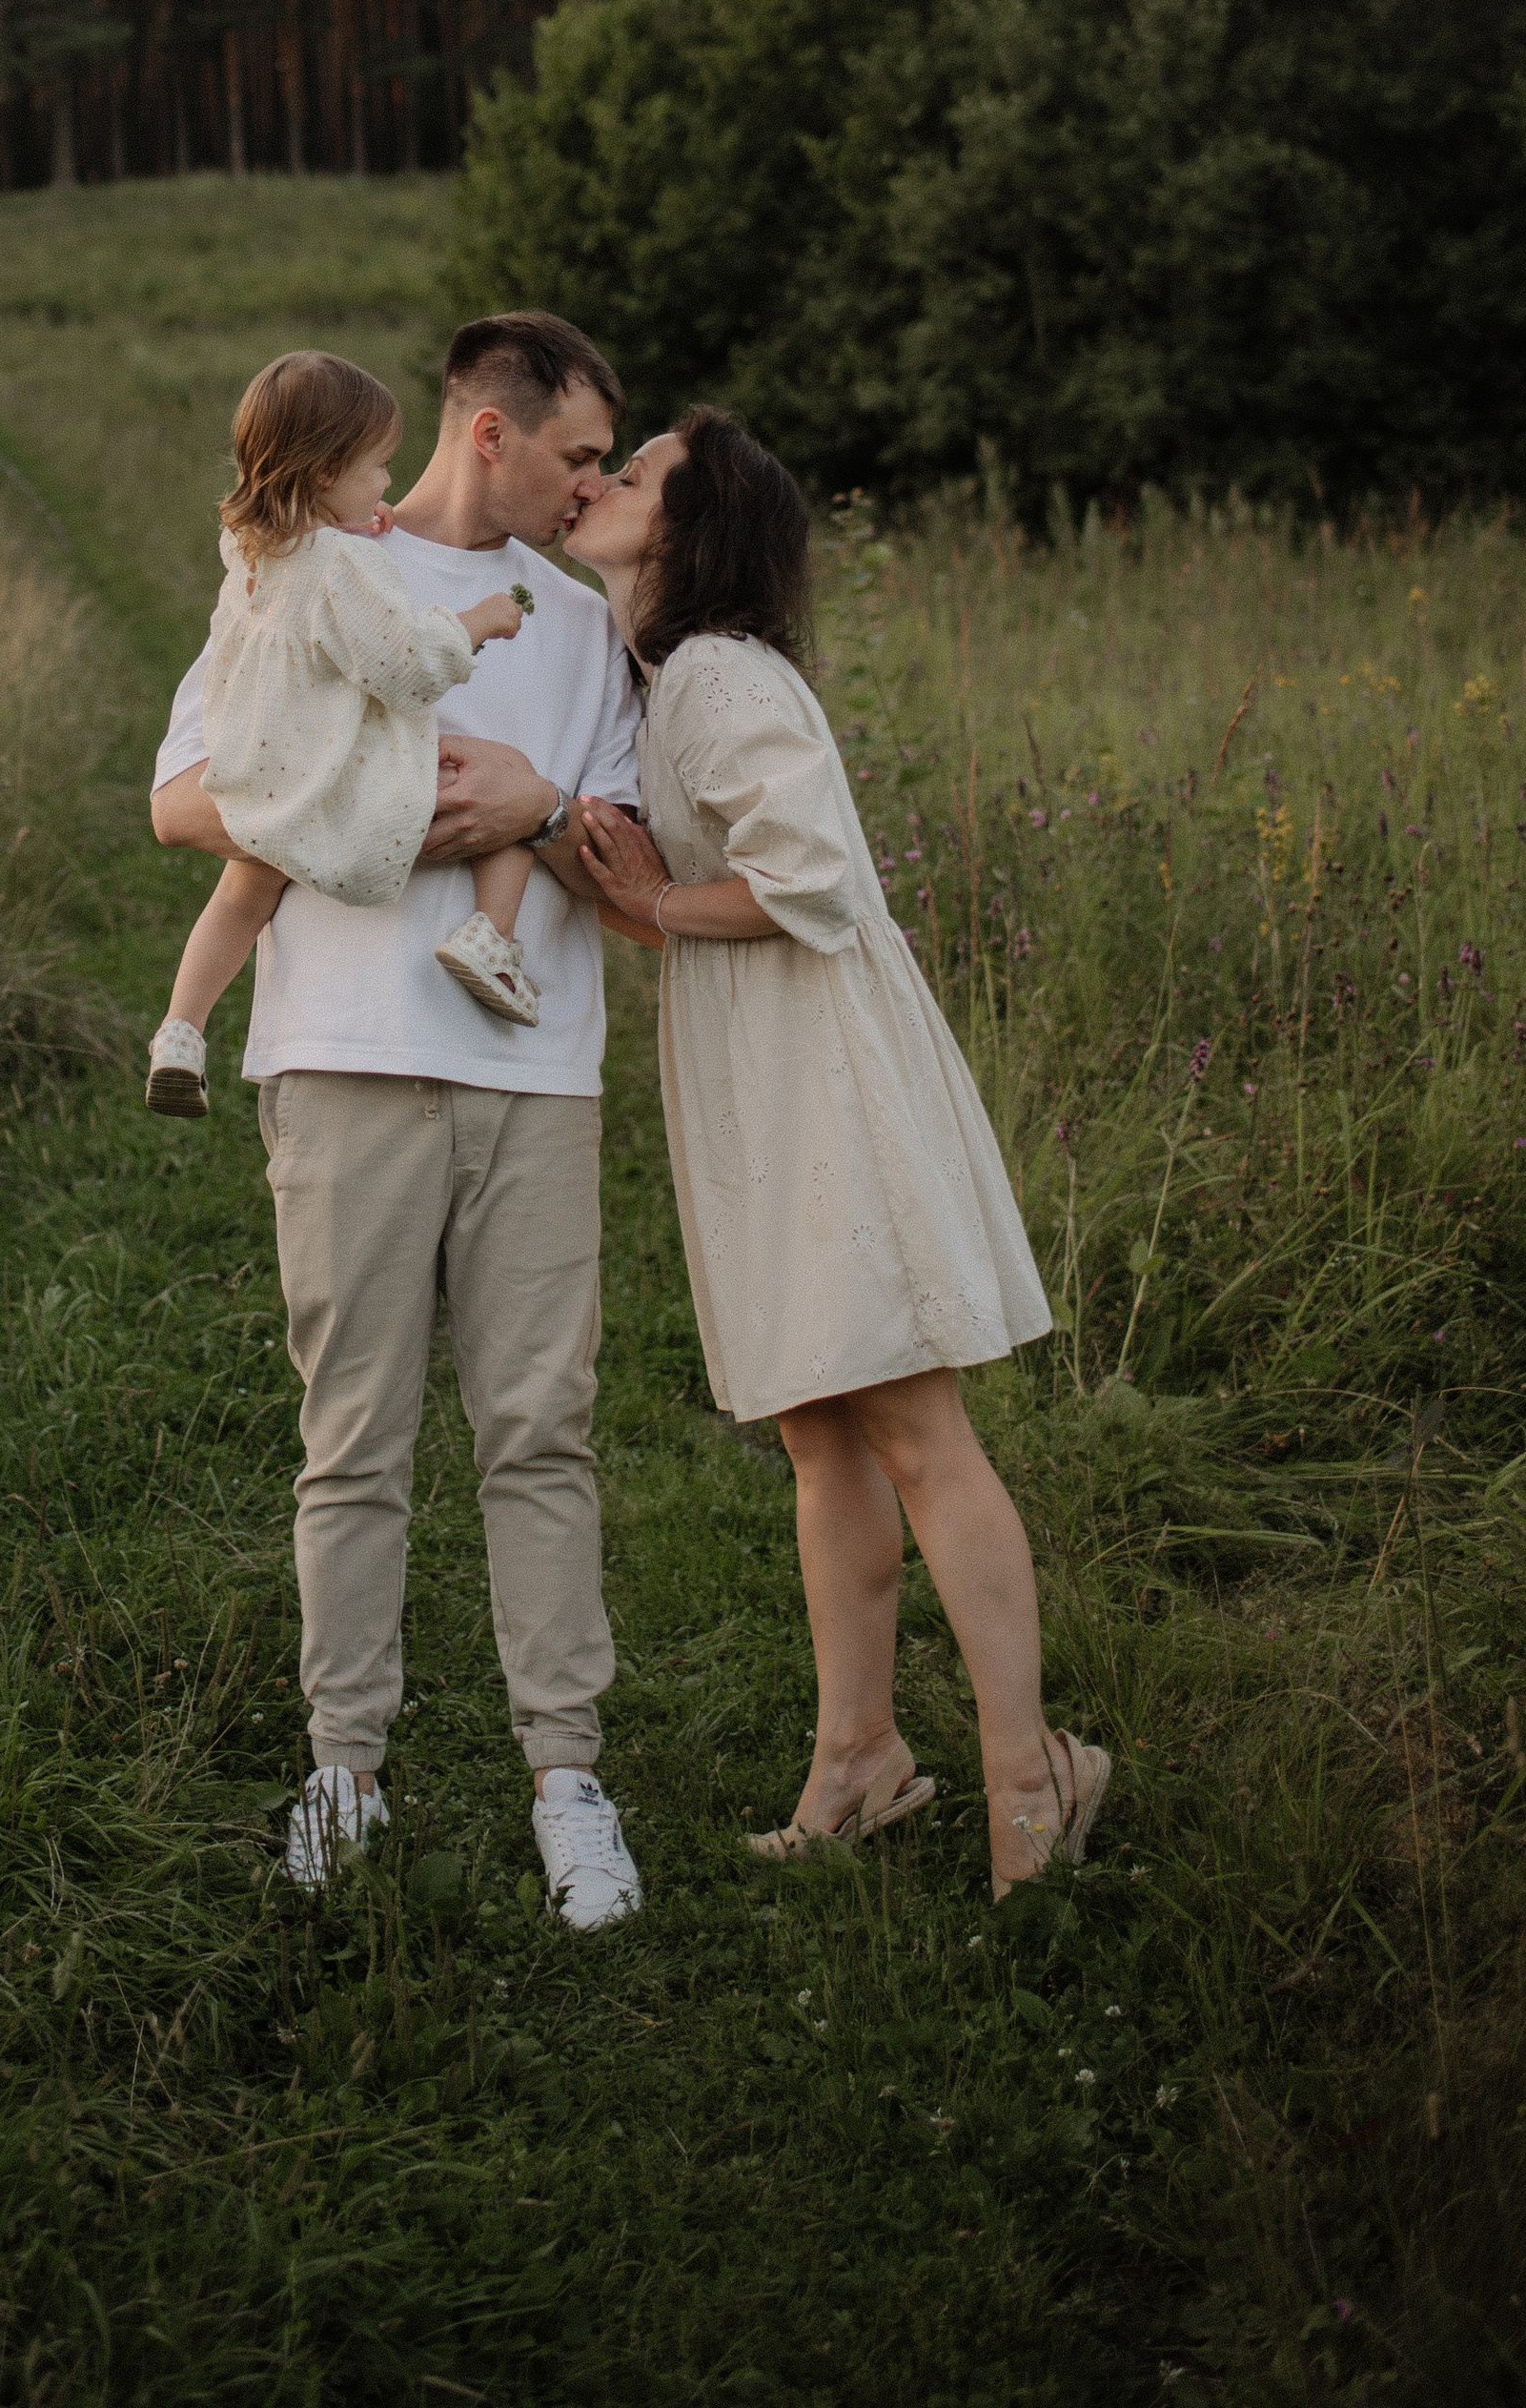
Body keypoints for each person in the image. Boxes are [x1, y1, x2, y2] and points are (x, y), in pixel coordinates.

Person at [566, 409, 1111, 1899]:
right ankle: (859, 1758)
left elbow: (810, 877)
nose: (605, 484)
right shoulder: (666, 675)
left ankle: (1031, 1782)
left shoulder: (723, 673)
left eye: (639, 472)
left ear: (692, 528)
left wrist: (662, 910)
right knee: (820, 1431)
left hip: (820, 1071)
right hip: (758, 1061)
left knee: (919, 1431)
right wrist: (642, 895)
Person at [151, 311, 647, 1926]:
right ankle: (344, 1765)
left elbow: (632, 862)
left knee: (538, 1430)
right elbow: (178, 793)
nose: (592, 491)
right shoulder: (299, 570)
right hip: (344, 1060)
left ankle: (565, 1772)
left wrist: (540, 811)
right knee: (352, 1437)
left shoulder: (583, 631)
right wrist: (378, 809)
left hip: (535, 1072)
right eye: (577, 456)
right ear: (487, 433)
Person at [145, 349, 543, 1119]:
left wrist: (359, 528)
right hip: (334, 779)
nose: (388, 483)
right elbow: (405, 667)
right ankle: (490, 943)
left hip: (259, 772)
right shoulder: (341, 568)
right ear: (327, 471)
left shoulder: (253, 548)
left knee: (240, 896)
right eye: (378, 468)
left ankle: (182, 1030)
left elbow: (314, 581)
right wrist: (479, 622)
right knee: (512, 793)